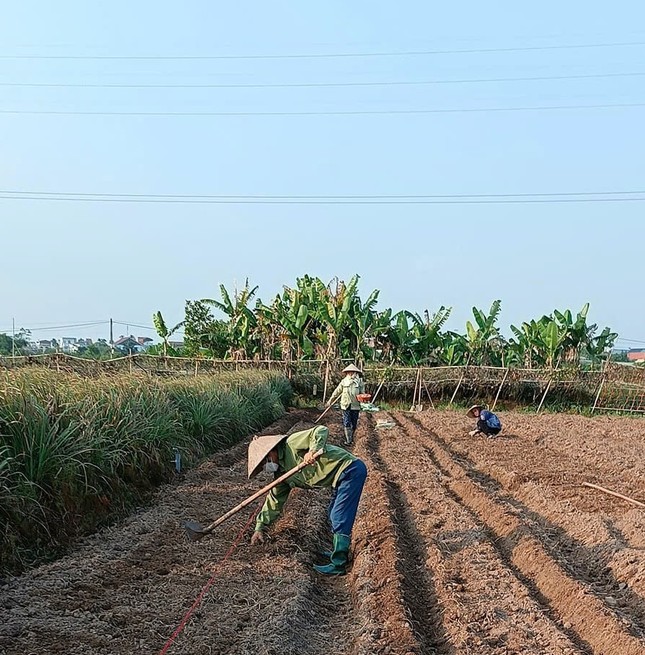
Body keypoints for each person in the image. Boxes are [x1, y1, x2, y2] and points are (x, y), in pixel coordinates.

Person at [248, 424, 367, 576]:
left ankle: (339, 564)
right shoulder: (282, 474)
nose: (266, 467)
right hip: (339, 478)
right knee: (332, 513)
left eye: (266, 462)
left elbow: (320, 430)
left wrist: (312, 450)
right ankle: (338, 551)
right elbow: (274, 501)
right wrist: (260, 527)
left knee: (339, 516)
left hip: (350, 470)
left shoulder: (291, 444)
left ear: (271, 452)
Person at [327, 363, 365, 446]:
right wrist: (331, 400)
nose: (351, 374)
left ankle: (352, 437)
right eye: (350, 372)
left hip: (355, 405)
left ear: (356, 373)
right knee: (347, 421)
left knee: (354, 422)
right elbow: (337, 391)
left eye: (353, 372)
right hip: (345, 405)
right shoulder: (344, 382)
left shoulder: (359, 382)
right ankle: (348, 441)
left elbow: (362, 393)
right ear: (347, 373)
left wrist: (363, 398)